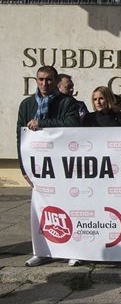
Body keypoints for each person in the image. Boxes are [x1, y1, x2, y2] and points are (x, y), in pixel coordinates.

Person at [17, 66, 80, 267]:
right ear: (36, 80)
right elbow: (20, 136)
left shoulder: (67, 102)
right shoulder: (27, 104)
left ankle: (74, 249)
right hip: (39, 166)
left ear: (55, 81)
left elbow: (72, 124)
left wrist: (43, 123)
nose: (45, 84)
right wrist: (23, 167)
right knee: (42, 208)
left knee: (69, 206)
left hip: (62, 163)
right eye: (41, 79)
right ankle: (42, 250)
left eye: (49, 80)